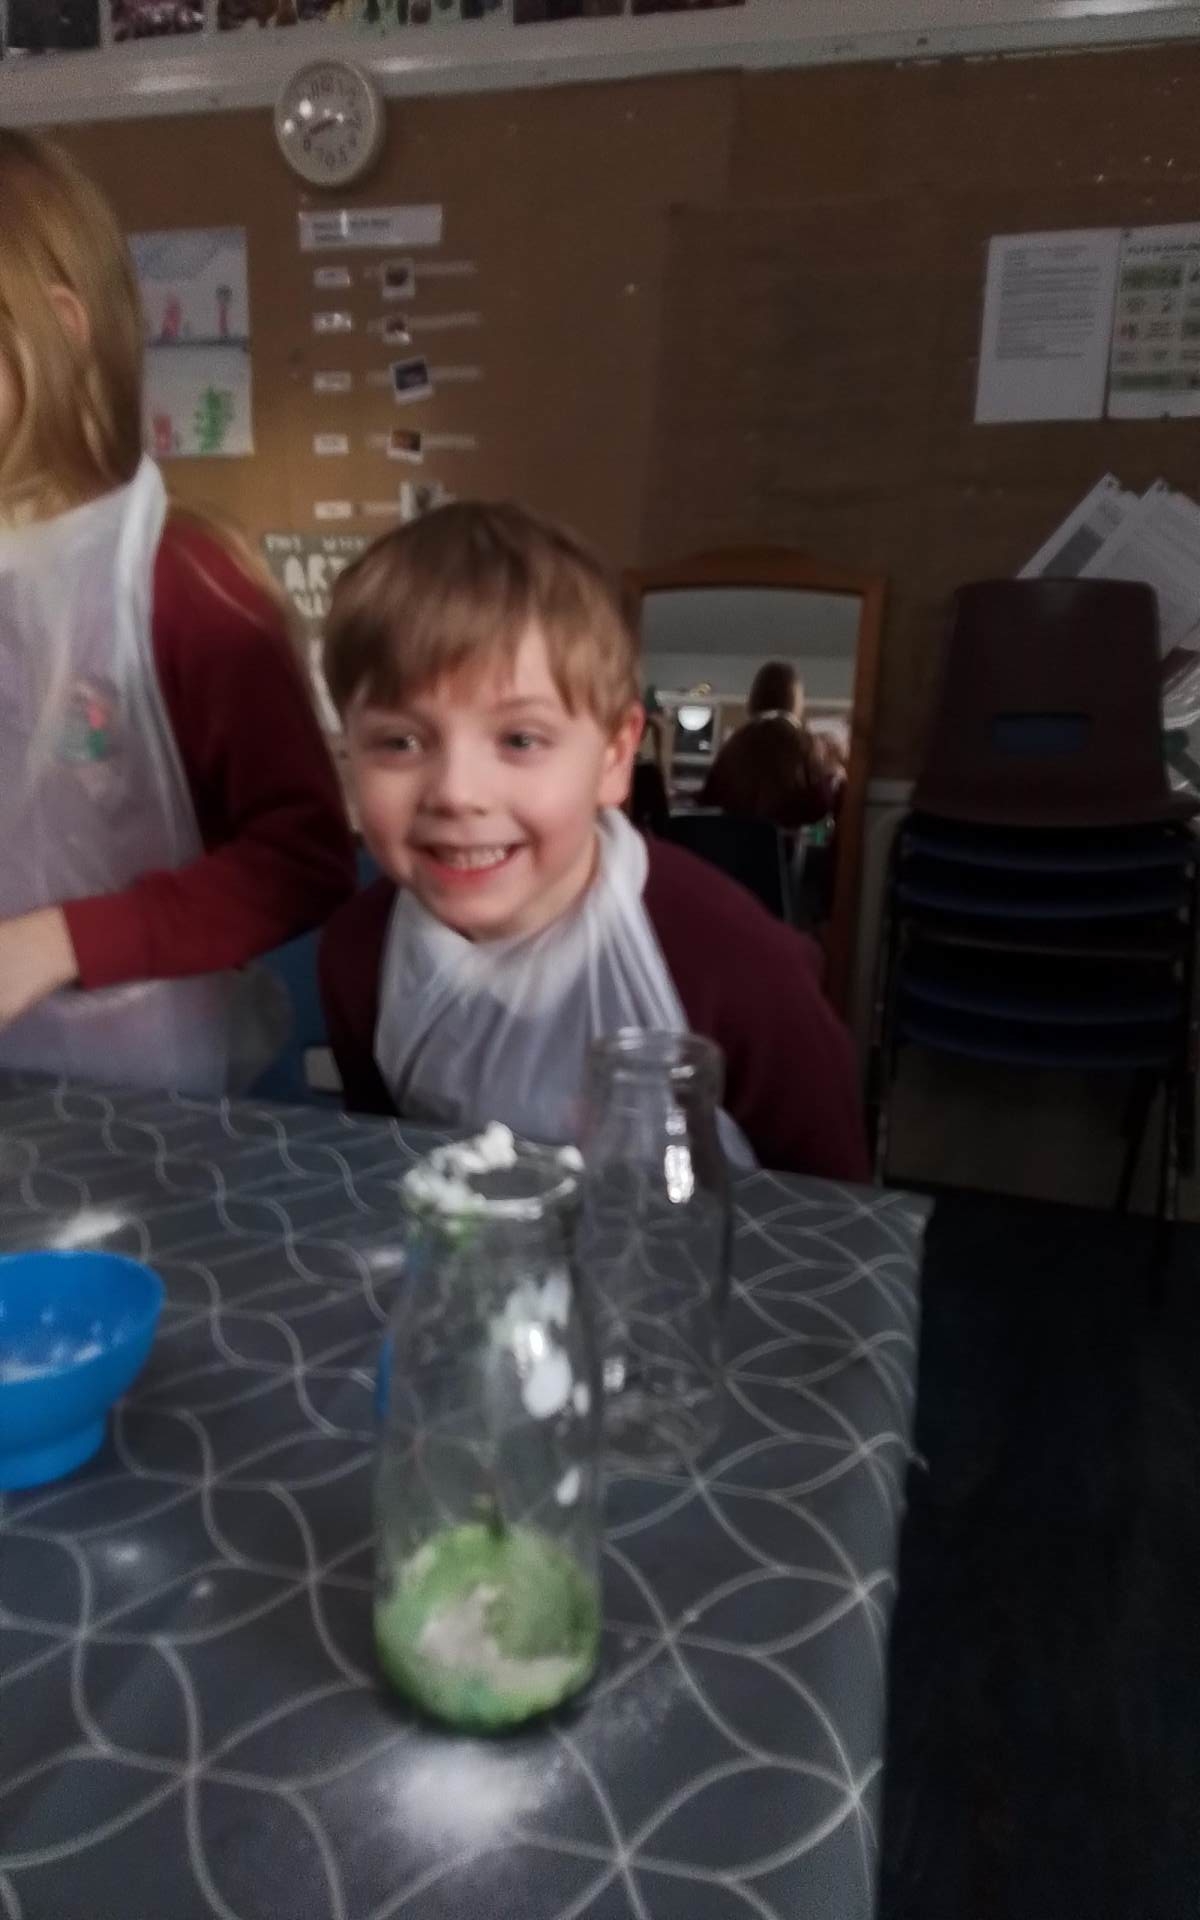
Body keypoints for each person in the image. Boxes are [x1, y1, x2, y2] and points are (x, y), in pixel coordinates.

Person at [318, 501, 868, 1181]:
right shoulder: (357, 956)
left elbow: (839, 1213)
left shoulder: (739, 969)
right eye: (399, 742)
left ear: (613, 757)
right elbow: (391, 1175)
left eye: (521, 739)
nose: (456, 793)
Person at [0, 131, 356, 1095]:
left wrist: (55, 943)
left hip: (153, 1095)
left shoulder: (183, 581)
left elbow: (306, 856)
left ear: (57, 331)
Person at [700, 658, 835, 831]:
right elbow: (819, 804)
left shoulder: (735, 743)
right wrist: (833, 778)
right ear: (794, 698)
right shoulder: (803, 742)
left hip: (732, 843)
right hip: (782, 844)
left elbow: (709, 798)